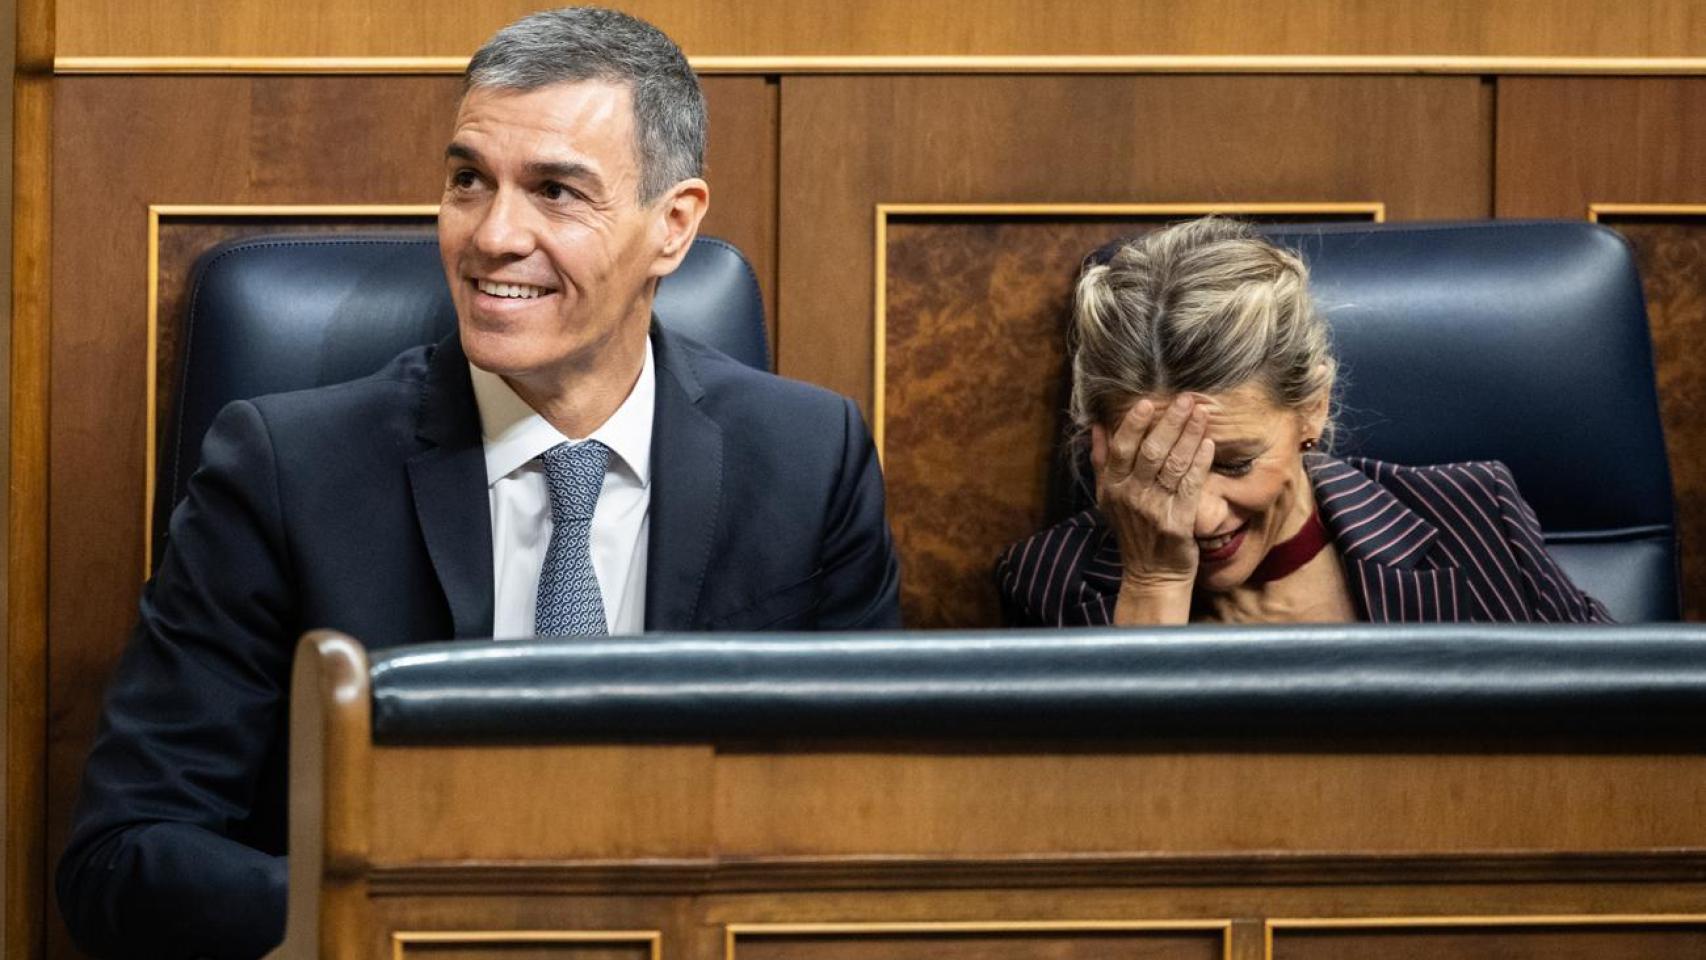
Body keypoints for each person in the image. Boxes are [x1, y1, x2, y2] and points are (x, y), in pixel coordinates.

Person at [58, 8, 901, 958]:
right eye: (469, 181)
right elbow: (123, 860)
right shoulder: (285, 470)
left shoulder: (807, 457)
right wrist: (407, 923)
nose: (494, 235)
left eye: (555, 192)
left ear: (673, 225)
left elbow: (864, 835)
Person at [996, 217, 1609, 627]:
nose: (1202, 516)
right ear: (1101, 444)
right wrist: (1154, 580)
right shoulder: (1053, 582)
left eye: (1235, 463)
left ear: (1311, 407)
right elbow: (1107, 804)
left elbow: (1629, 734)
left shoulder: (1474, 516)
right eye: (1165, 466)